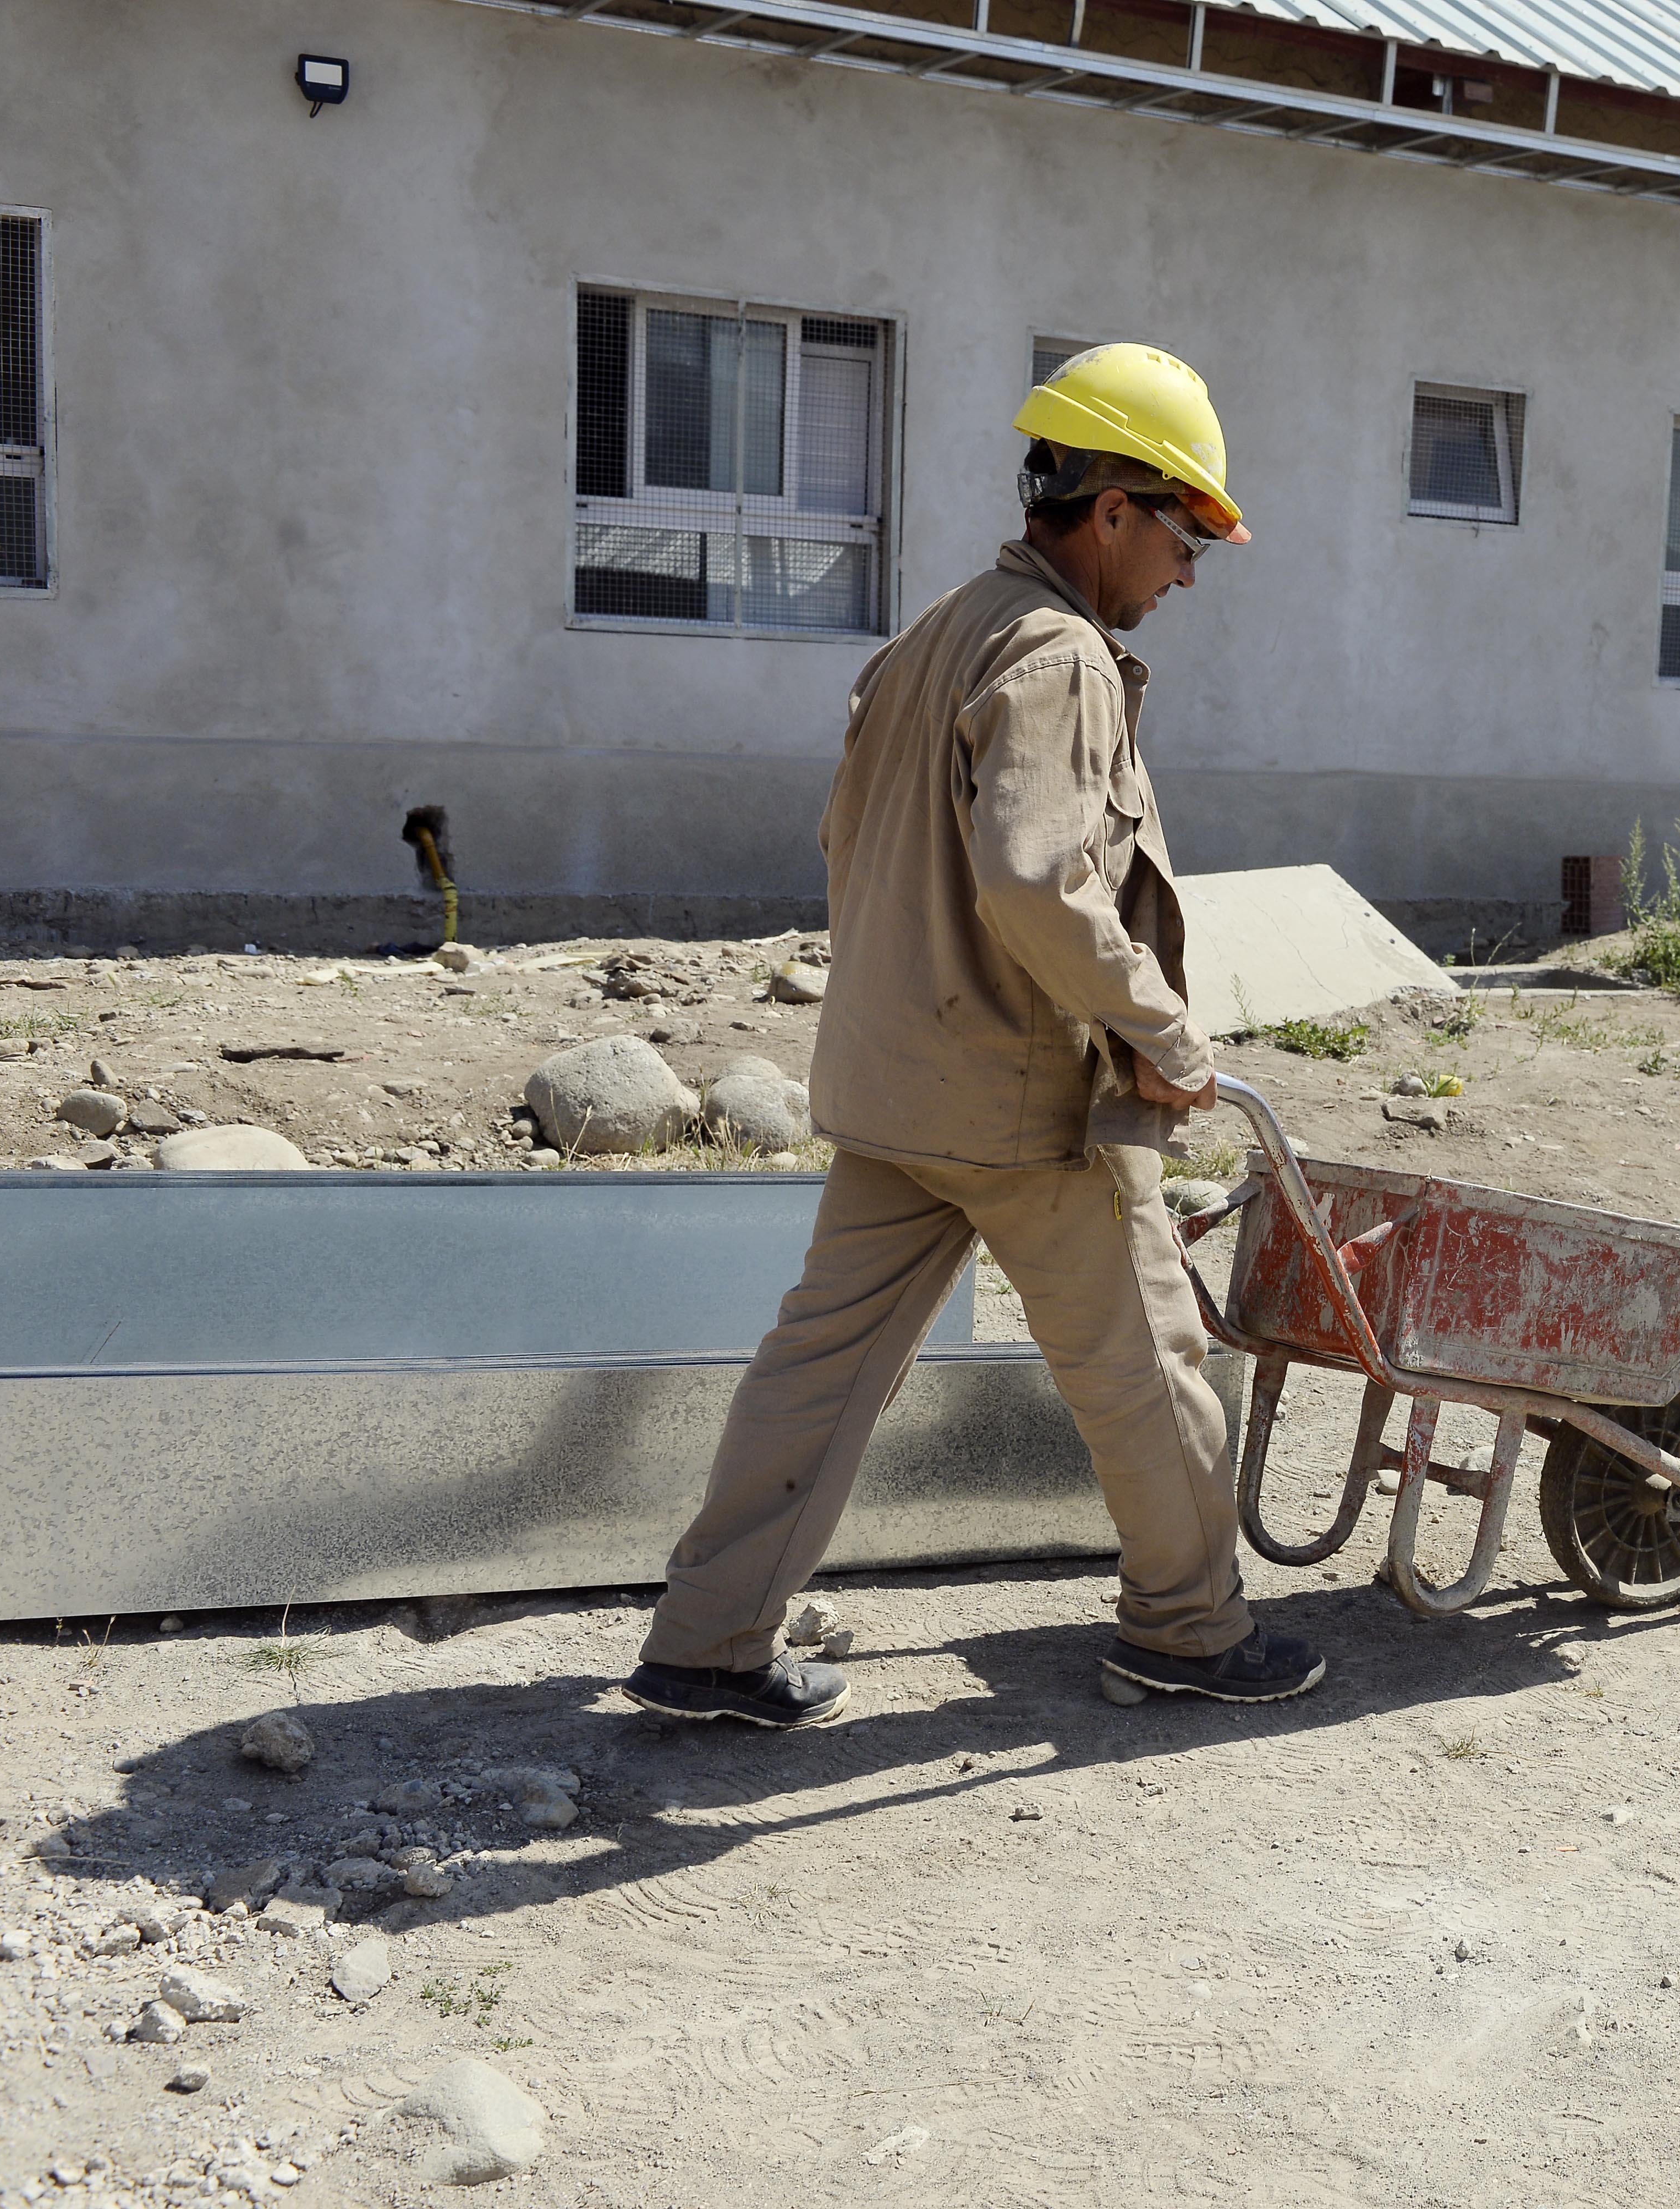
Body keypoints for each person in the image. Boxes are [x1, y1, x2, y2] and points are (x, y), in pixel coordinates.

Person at [621, 343, 1326, 1728]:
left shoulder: (940, 629)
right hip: (1019, 1104)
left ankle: (705, 1644)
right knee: (1148, 1364)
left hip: (894, 1084)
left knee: (816, 1374)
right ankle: (1188, 1626)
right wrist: (1162, 1033)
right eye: (1184, 537)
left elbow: (855, 844)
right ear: (1111, 507)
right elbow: (1032, 874)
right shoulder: (1057, 652)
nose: (1187, 574)